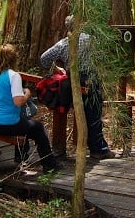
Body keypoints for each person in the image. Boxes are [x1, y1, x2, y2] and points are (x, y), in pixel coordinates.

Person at [40, 15, 115, 160]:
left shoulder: (63, 43)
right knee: (94, 115)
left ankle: (61, 148)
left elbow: (44, 59)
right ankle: (98, 149)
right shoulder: (92, 41)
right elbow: (105, 57)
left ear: (68, 27)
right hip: (91, 81)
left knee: (75, 111)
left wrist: (55, 69)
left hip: (72, 84)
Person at [0, 43, 60, 173]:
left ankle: (21, 157)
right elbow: (18, 102)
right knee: (38, 128)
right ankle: (49, 165)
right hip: (7, 124)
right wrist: (27, 93)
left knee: (25, 123)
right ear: (14, 59)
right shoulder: (13, 76)